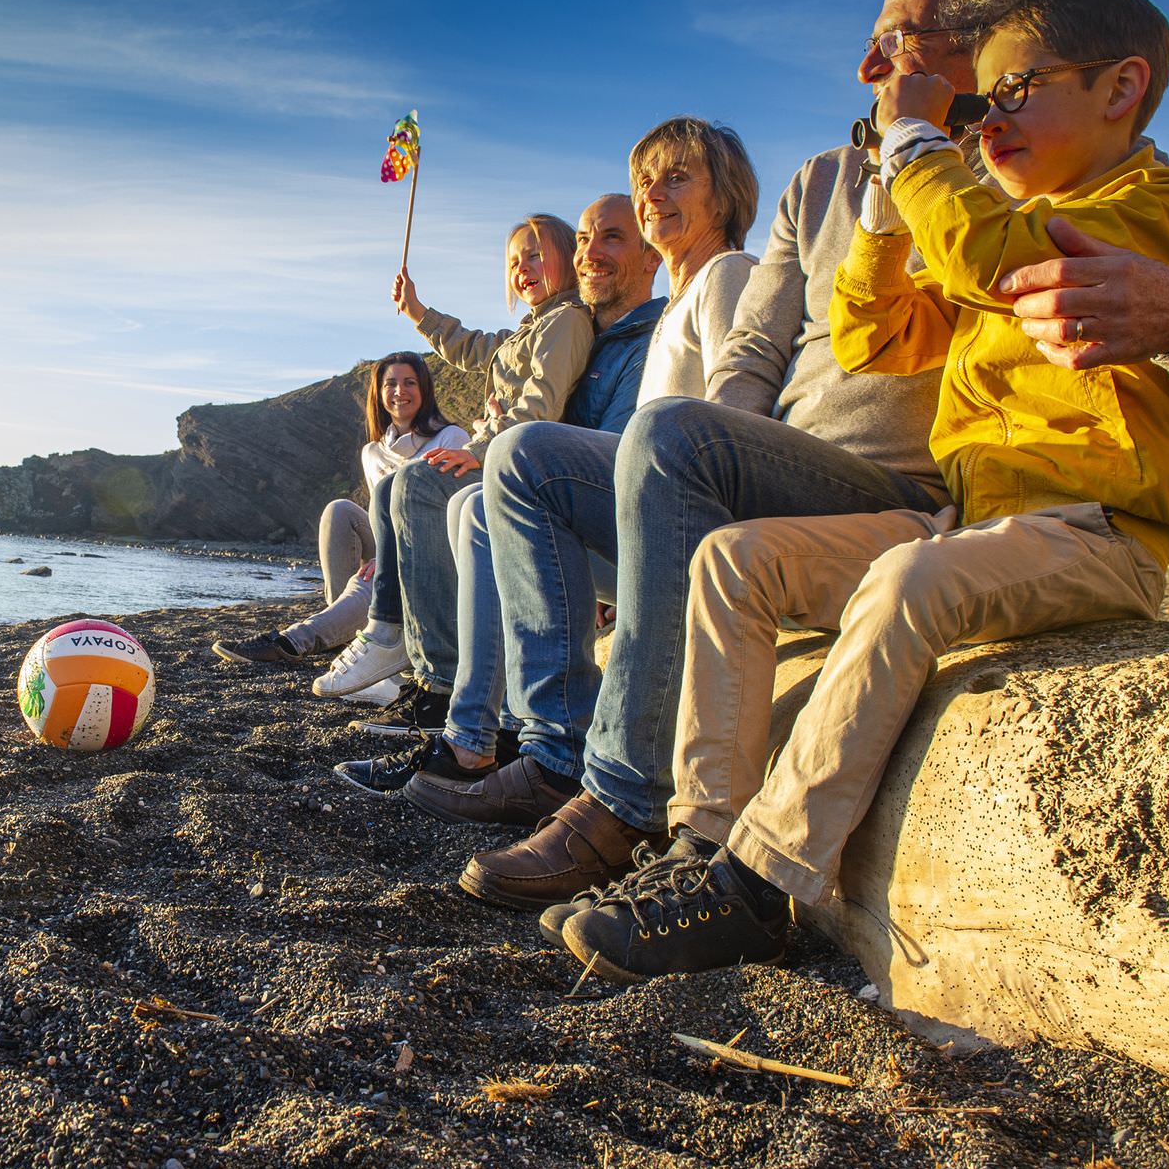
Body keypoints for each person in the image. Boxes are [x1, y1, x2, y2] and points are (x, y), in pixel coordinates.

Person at [442, 0, 1169, 917]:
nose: (866, 65)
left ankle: (626, 799)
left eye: (897, 38)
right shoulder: (828, 180)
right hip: (782, 472)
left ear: (996, 42)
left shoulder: (1082, 181)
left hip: (930, 495)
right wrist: (721, 471)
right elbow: (772, 352)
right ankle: (594, 774)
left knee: (673, 441)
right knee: (542, 458)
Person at [556, 0, 1169, 980]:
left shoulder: (1154, 206)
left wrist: (916, 144)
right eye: (980, 102)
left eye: (1015, 93)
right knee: (735, 561)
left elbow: (992, 258)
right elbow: (876, 332)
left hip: (1101, 530)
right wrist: (881, 192)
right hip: (979, 521)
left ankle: (761, 883)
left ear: (1121, 88)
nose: (987, 122)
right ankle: (703, 842)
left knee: (907, 583)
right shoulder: (1004, 218)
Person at [332, 118, 760, 795]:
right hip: (625, 523)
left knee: (487, 487)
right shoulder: (613, 329)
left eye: (611, 236)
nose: (592, 251)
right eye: (586, 237)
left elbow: (730, 429)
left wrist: (498, 445)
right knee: (479, 500)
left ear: (648, 252)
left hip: (672, 536)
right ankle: (481, 728)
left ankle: (498, 735)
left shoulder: (714, 286)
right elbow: (484, 352)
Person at [311, 200, 651, 727]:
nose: (523, 267)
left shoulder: (566, 322)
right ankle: (390, 634)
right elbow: (468, 347)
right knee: (390, 490)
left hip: (512, 461)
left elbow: (539, 405)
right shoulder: (527, 332)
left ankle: (432, 672)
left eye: (537, 254)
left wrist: (475, 451)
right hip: (501, 452)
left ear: (569, 259)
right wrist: (420, 314)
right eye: (516, 260)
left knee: (417, 487)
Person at [211, 352, 466, 678]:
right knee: (339, 510)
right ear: (379, 393)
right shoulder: (372, 452)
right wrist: (385, 552)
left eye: (409, 383)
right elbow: (380, 515)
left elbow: (449, 513)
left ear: (425, 390)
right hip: (389, 539)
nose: (399, 391)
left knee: (375, 577)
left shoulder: (451, 438)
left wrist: (394, 554)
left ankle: (289, 643)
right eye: (391, 384)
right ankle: (338, 627)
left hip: (431, 548)